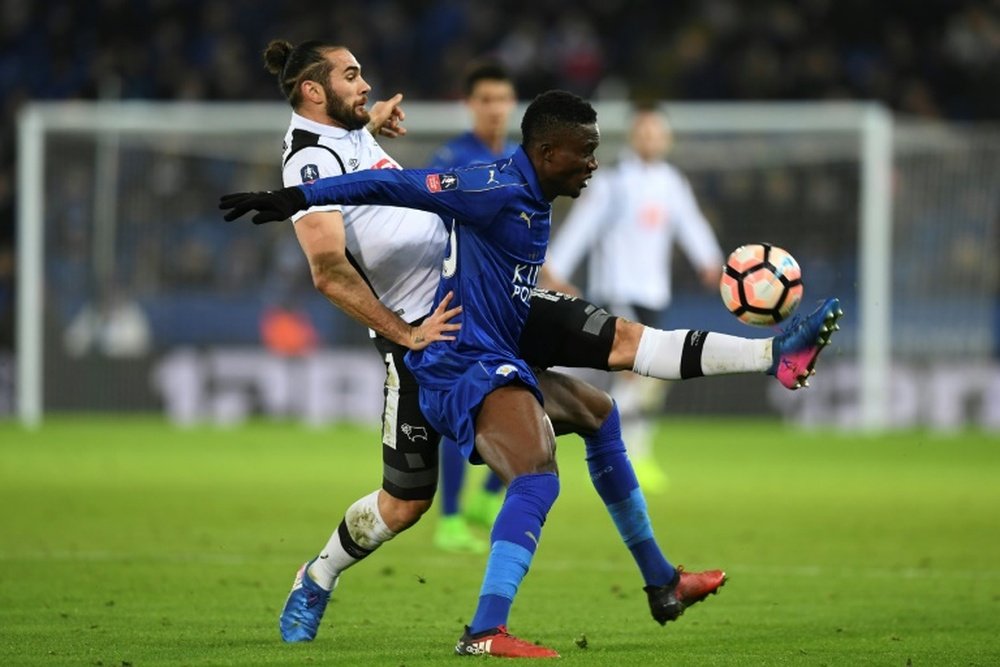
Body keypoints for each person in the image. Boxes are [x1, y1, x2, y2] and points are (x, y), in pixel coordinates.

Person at [219, 40, 841, 657]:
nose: (366, 86)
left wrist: (370, 123)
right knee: (404, 505)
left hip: (489, 297)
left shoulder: (353, 128)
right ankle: (321, 578)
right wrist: (404, 332)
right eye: (353, 77)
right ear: (312, 90)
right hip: (433, 330)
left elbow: (379, 167)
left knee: (608, 389)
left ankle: (760, 384)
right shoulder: (310, 160)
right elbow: (330, 269)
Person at [546, 103, 725, 494]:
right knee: (635, 372)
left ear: (666, 138)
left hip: (653, 292)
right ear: (633, 135)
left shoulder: (671, 183)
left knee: (651, 379)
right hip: (617, 290)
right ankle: (626, 455)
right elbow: (583, 226)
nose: (650, 138)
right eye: (644, 131)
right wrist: (555, 269)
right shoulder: (612, 181)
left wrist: (710, 260)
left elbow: (690, 223)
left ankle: (628, 451)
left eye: (657, 132)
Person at [425, 60, 521, 554]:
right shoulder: (453, 158)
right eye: (485, 99)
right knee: (460, 409)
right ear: (469, 105)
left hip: (505, 304)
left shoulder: (516, 159)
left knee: (528, 393)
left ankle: (488, 494)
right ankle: (451, 519)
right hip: (460, 304)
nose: (495, 109)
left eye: (502, 99)